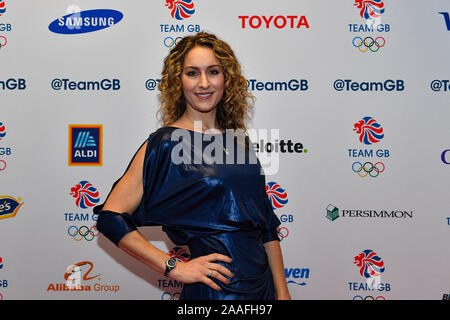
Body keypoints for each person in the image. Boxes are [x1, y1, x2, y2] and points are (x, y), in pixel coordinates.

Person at [94, 32, 291, 300]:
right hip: (214, 291)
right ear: (179, 81)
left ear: (226, 79)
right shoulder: (166, 143)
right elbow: (110, 218)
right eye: (192, 73)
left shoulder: (240, 143)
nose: (204, 83)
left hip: (263, 288)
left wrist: (282, 293)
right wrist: (174, 267)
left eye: (213, 71)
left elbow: (266, 226)